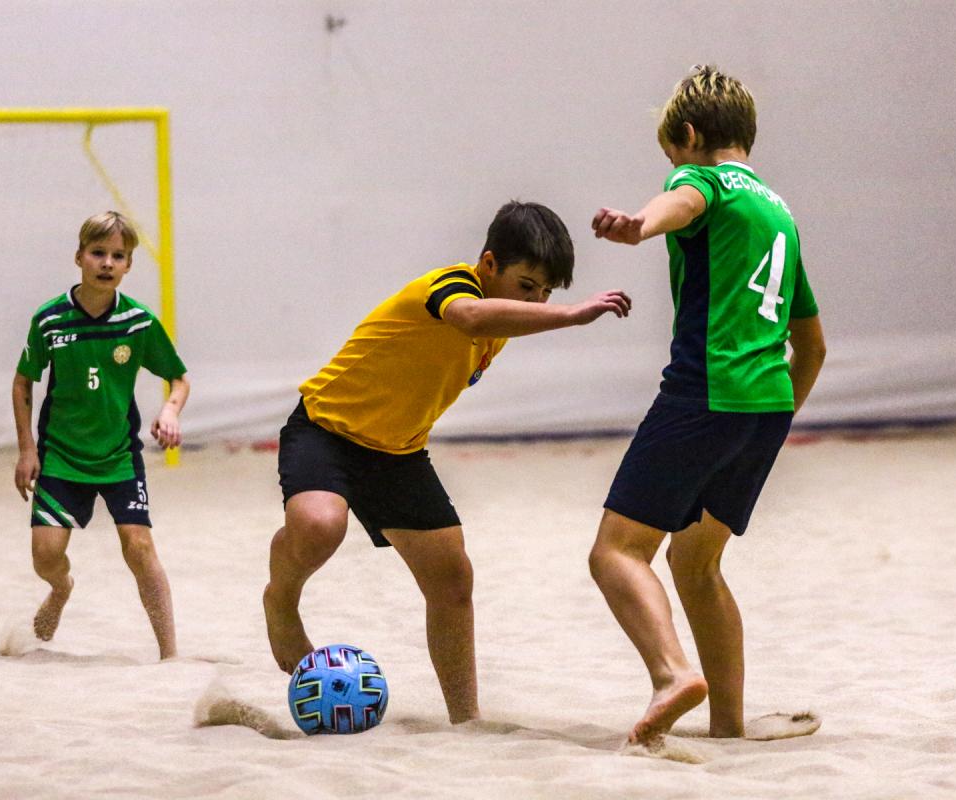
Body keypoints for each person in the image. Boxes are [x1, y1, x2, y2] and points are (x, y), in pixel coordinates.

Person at [263, 201, 631, 723]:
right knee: (320, 526)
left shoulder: (503, 323)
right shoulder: (451, 287)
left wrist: (544, 306)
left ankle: (466, 719)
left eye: (547, 293)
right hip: (326, 430)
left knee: (453, 580)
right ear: (488, 264)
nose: (536, 302)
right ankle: (281, 600)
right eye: (527, 286)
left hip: (398, 453)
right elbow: (468, 316)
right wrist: (572, 314)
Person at [587, 65, 827, 745]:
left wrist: (640, 225)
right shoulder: (779, 214)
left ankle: (671, 676)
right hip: (767, 404)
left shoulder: (704, 181)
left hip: (704, 392)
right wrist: (771, 419)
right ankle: (727, 723)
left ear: (689, 136)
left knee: (616, 553)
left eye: (671, 155)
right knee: (696, 565)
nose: (673, 169)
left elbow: (684, 202)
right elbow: (813, 346)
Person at [13, 210, 190, 660]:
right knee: (45, 555)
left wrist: (170, 410)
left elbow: (179, 378)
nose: (107, 263)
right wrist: (27, 450)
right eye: (98, 253)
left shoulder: (138, 322)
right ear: (79, 257)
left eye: (118, 255)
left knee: (139, 546)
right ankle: (61, 589)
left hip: (118, 457)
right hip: (61, 456)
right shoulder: (50, 320)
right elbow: (23, 382)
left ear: (129, 264)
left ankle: (170, 654)